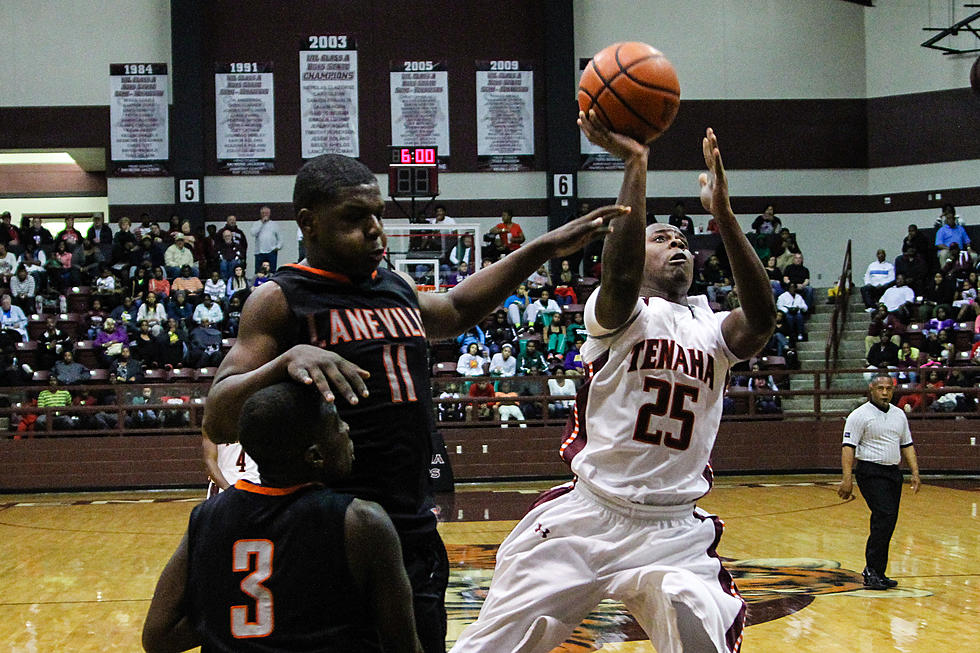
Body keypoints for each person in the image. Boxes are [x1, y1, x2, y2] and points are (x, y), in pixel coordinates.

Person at [201, 152, 620, 652]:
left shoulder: (394, 287)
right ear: (308, 224)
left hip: (411, 524)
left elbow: (460, 306)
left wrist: (543, 247)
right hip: (335, 531)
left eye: (378, 214)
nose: (375, 230)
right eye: (354, 218)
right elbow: (219, 416)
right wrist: (283, 361)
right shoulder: (281, 298)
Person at [451, 120, 775, 653]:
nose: (677, 244)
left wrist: (725, 217)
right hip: (590, 513)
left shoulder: (711, 329)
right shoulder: (615, 317)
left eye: (683, 240)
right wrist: (635, 167)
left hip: (673, 530)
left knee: (696, 620)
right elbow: (621, 278)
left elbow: (760, 320)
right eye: (660, 238)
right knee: (491, 645)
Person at [142, 381, 424, 653]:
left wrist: (243, 618)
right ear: (315, 456)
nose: (347, 429)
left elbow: (158, 637)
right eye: (337, 424)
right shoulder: (363, 522)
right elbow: (404, 646)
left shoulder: (205, 517)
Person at [837, 374, 921, 590]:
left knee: (888, 521)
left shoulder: (899, 415)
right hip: (870, 471)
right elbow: (848, 447)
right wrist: (847, 479)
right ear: (871, 389)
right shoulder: (859, 415)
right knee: (883, 515)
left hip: (893, 473)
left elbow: (907, 444)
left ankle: (878, 571)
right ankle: (871, 571)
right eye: (880, 388)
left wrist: (915, 472)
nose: (885, 393)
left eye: (889, 389)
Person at [251, 205, 282, 272]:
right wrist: (262, 223)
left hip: (271, 252)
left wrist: (278, 247)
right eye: (263, 213)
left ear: (269, 214)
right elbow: (253, 233)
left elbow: (280, 237)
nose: (265, 215)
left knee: (272, 271)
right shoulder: (257, 223)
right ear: (261, 214)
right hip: (259, 252)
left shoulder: (274, 224)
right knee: (259, 272)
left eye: (267, 213)